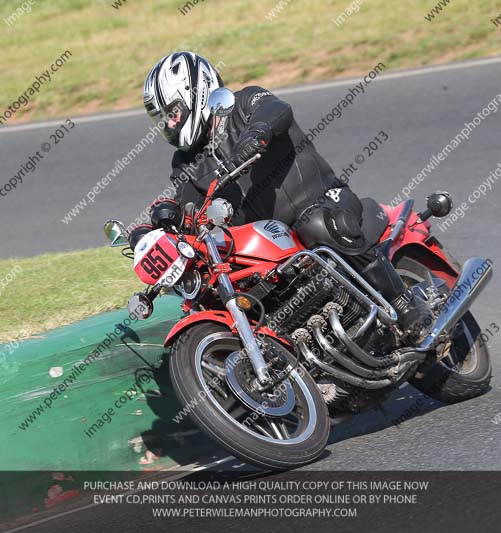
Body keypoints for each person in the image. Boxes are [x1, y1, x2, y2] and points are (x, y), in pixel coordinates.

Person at [138, 51, 431, 341]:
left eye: (173, 114)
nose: (170, 125)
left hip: (323, 199)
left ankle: (406, 306)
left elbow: (276, 110)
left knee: (317, 224)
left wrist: (257, 133)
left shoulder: (243, 103)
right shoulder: (184, 163)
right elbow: (186, 206)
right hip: (272, 240)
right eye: (162, 120)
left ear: (196, 93)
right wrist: (160, 225)